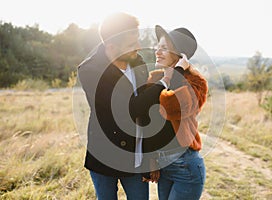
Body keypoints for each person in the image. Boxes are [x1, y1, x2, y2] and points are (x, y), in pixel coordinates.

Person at [77, 12, 151, 200]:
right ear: (111, 46)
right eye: (131, 44)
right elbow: (125, 110)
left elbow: (148, 115)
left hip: (136, 159)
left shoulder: (139, 63)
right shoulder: (90, 71)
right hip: (104, 158)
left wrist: (152, 154)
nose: (139, 47)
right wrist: (163, 83)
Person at [138, 25, 208, 199]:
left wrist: (176, 73)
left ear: (180, 56)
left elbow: (169, 108)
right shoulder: (155, 78)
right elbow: (147, 121)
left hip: (185, 165)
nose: (157, 51)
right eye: (158, 47)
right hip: (163, 165)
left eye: (164, 48)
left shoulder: (196, 82)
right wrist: (151, 158)